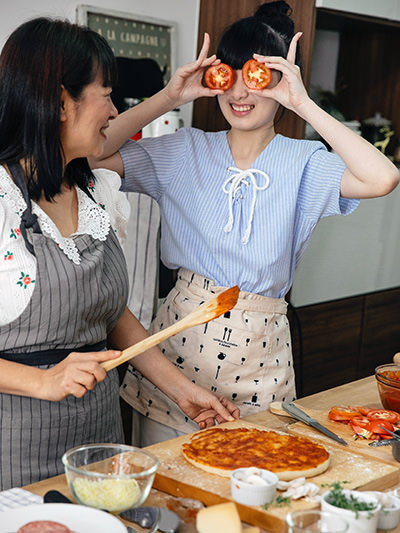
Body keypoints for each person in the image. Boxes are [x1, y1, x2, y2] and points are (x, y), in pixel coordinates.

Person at [93, 1, 399, 446]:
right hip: (178, 346)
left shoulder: (306, 162)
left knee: (250, 479)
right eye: (226, 75)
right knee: (164, 489)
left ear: (279, 80)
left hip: (261, 352)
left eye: (255, 76)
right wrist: (169, 97)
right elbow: (91, 154)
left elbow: (384, 177)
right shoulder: (183, 149)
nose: (239, 92)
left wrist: (304, 103)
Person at [0, 17, 239, 491]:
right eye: (105, 93)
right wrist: (43, 382)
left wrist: (181, 392)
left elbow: (111, 317)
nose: (114, 109)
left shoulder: (92, 191)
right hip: (16, 456)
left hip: (101, 443)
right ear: (60, 101)